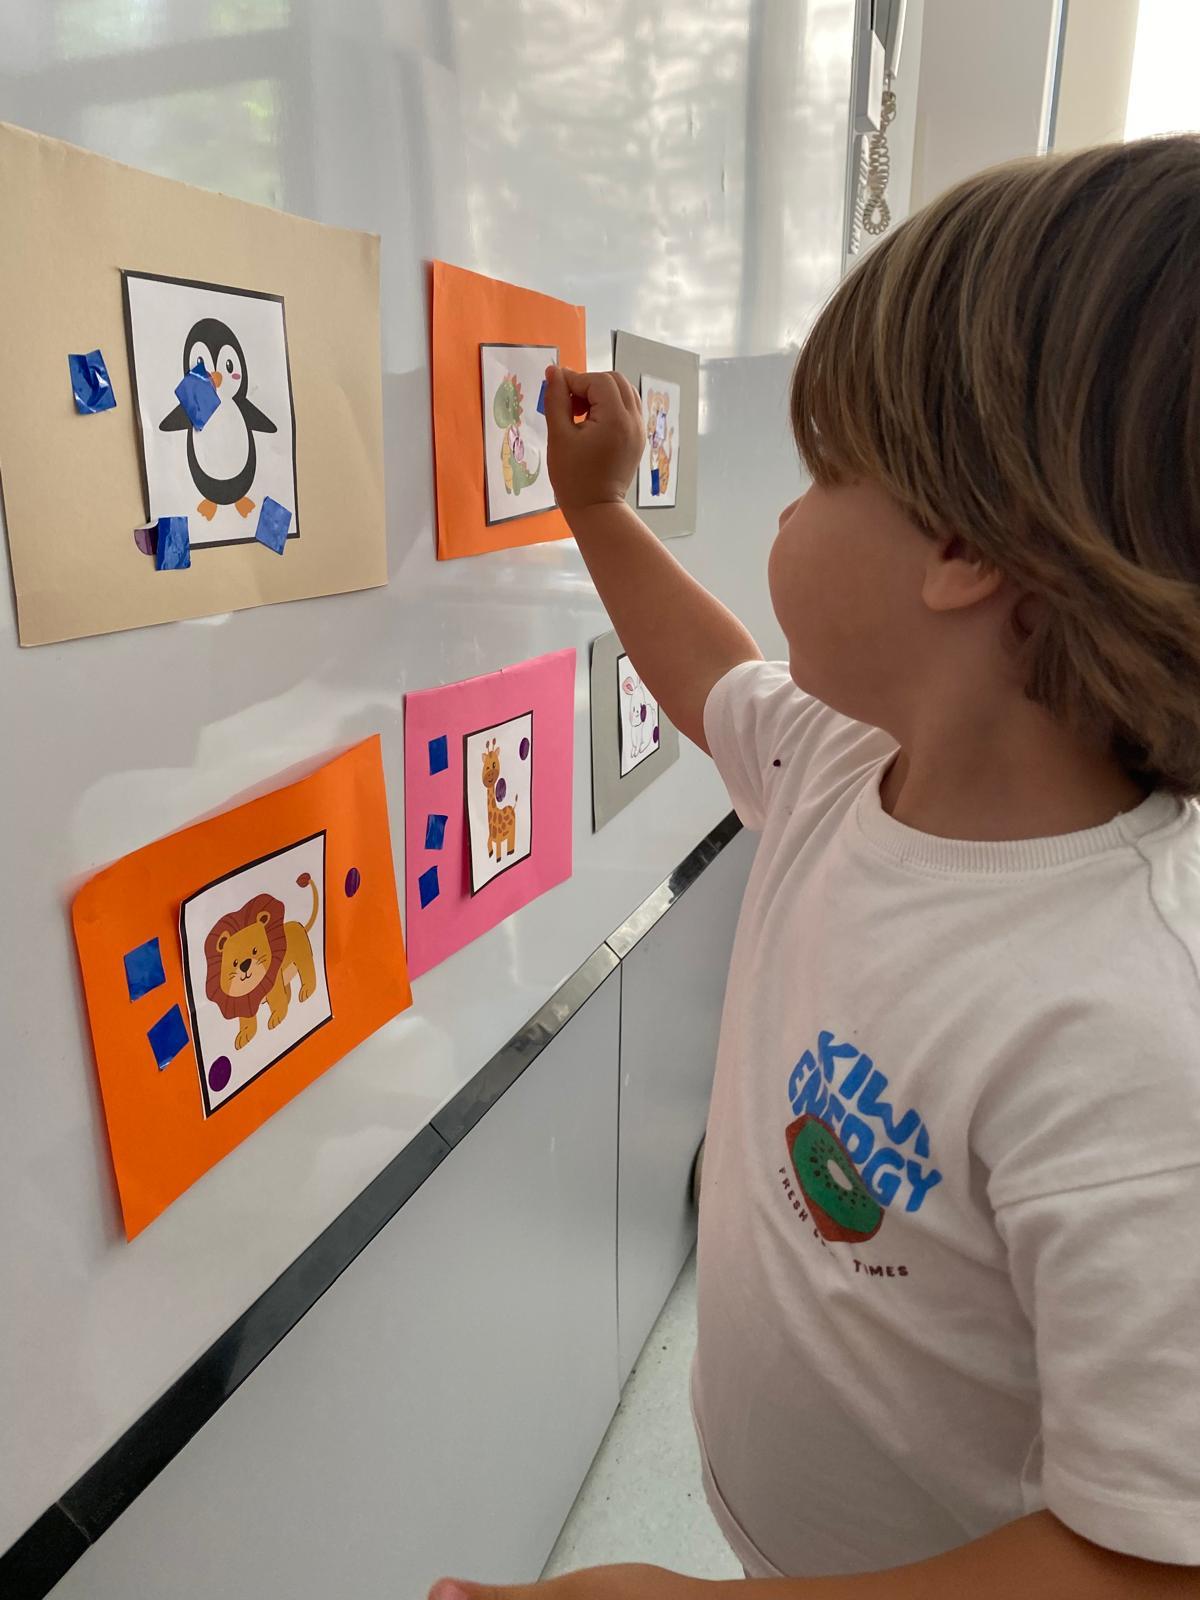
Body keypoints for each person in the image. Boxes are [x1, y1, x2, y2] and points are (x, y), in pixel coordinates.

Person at [433, 137, 1200, 1600]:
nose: (785, 512)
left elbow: (1151, 1562)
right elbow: (708, 674)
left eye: (826, 467)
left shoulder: (1133, 1034)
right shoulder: (850, 766)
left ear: (964, 548)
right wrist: (596, 509)